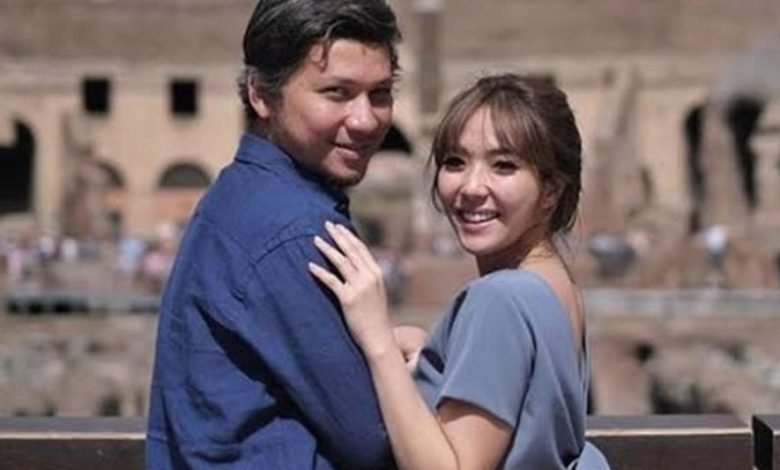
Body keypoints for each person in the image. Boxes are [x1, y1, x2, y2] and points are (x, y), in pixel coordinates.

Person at [145, 0, 401, 468]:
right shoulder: (294, 232)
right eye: (337, 93)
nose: (366, 119)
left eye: (380, 93)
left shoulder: (239, 196)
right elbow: (374, 439)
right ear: (262, 95)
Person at [309, 74, 611, 469]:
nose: (471, 187)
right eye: (455, 162)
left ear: (551, 190)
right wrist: (439, 359)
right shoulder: (556, 285)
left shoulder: (500, 299)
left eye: (503, 166)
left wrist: (378, 340)